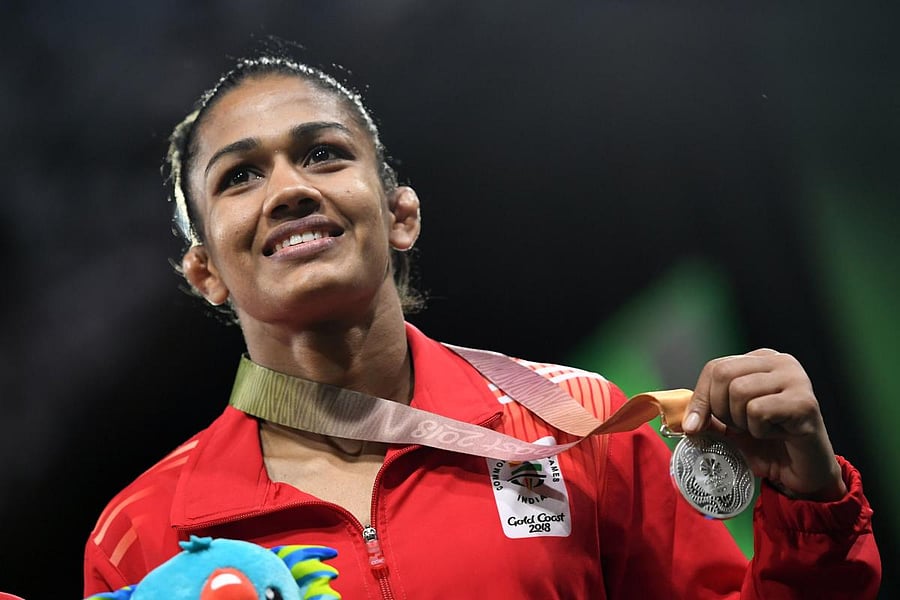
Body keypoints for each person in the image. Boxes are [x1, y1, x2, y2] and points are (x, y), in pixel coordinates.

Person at [83, 52, 880, 598]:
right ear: (206, 271)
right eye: (241, 176)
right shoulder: (145, 531)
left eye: (324, 154)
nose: (288, 189)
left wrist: (808, 511)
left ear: (400, 214)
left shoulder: (582, 422)